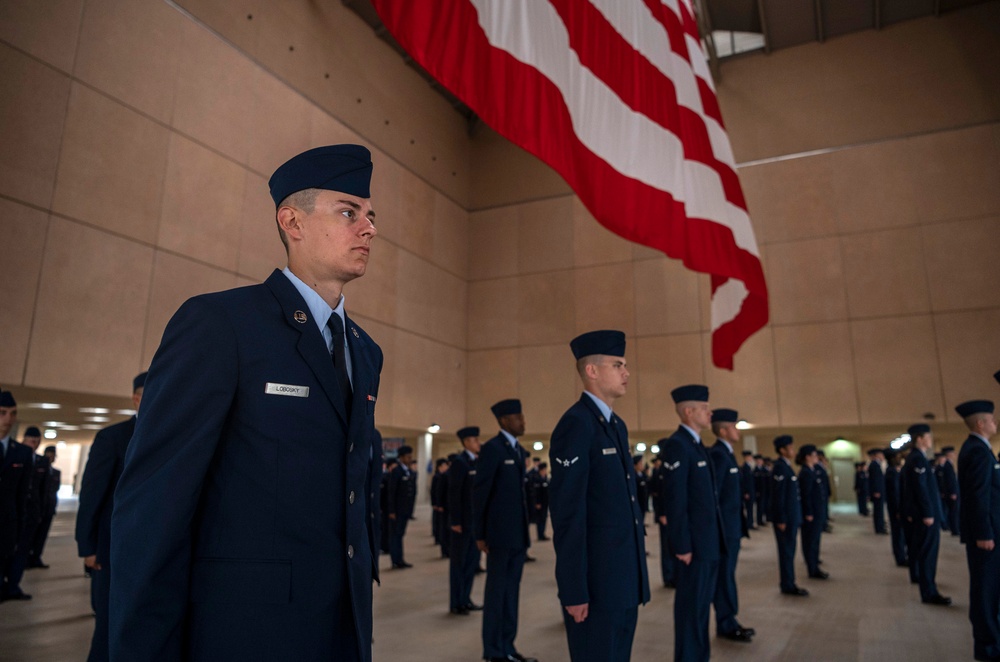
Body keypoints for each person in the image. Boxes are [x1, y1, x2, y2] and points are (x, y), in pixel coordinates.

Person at [109, 145, 384, 662]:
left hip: (341, 627)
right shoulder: (223, 325)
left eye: (371, 216)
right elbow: (153, 507)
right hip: (246, 632)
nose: (368, 228)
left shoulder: (365, 351)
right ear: (292, 221)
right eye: (349, 212)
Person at [549, 330, 649, 662]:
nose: (626, 373)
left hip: (623, 580)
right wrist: (574, 589)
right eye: (617, 364)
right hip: (596, 585)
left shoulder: (615, 425)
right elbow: (568, 513)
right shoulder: (576, 424)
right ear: (592, 371)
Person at [75, 373, 145, 660]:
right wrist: (88, 547)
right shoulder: (113, 437)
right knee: (106, 629)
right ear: (135, 398)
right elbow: (92, 495)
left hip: (148, 553)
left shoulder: (171, 435)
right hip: (109, 551)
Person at [660, 384, 724, 662]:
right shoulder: (677, 445)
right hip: (693, 548)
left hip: (708, 543)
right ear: (688, 412)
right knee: (690, 610)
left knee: (700, 610)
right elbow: (676, 501)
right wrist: (682, 545)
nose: (710, 414)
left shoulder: (697, 446)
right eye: (704, 409)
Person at [473, 399, 536, 662]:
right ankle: (493, 651)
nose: (523, 421)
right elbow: (480, 493)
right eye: (518, 417)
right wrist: (479, 534)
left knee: (512, 594)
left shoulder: (518, 451)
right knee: (497, 594)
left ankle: (508, 647)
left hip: (518, 536)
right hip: (498, 536)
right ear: (503, 421)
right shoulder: (493, 449)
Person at [956, 400, 1000, 661]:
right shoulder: (977, 451)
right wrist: (984, 533)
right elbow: (977, 496)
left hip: (990, 532)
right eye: (992, 419)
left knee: (990, 590)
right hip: (987, 536)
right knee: (985, 591)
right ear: (981, 423)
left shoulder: (982, 450)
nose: (996, 423)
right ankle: (987, 648)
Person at [708, 408, 755, 643]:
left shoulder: (727, 453)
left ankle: (729, 620)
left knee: (728, 575)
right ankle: (726, 623)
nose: (737, 430)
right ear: (725, 430)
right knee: (725, 576)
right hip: (725, 530)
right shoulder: (718, 454)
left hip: (732, 527)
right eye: (734, 426)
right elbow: (714, 497)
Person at [901, 424, 951, 607]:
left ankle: (927, 586)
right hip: (925, 516)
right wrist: (928, 513)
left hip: (922, 514)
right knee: (928, 554)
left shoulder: (917, 458)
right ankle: (929, 592)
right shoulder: (917, 459)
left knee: (924, 552)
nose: (930, 440)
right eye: (928, 437)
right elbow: (920, 489)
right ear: (920, 439)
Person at [2, 425, 48, 600]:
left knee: (21, 551)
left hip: (29, 514)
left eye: (37, 442)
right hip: (10, 514)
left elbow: (42, 490)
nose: (34, 444)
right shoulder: (13, 454)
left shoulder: (40, 461)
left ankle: (13, 586)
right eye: (31, 440)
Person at [0, 389, 33, 602]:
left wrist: (19, 528)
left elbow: (22, 496)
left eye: (13, 413)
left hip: (6, 526)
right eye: (3, 412)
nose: (8, 419)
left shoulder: (21, 453)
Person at [448, 427, 483, 615]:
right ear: (466, 442)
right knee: (459, 564)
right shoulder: (460, 463)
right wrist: (455, 521)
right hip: (462, 523)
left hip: (474, 523)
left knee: (472, 562)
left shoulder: (476, 462)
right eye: (475, 440)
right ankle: (456, 602)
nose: (478, 443)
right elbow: (454, 493)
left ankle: (466, 598)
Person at [771, 435, 808, 596]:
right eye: (790, 448)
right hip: (785, 519)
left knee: (790, 551)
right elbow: (778, 495)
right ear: (782, 450)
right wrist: (780, 518)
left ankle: (789, 581)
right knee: (786, 552)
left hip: (791, 516)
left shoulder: (786, 466)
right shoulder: (779, 467)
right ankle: (787, 584)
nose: (793, 451)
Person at [796, 444, 828, 580]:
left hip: (817, 510)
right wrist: (808, 512)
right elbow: (806, 495)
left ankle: (815, 564)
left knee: (815, 540)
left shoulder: (812, 470)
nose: (817, 458)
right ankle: (812, 568)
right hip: (811, 513)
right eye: (814, 455)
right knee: (810, 540)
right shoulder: (805, 473)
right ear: (807, 457)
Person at [28, 444, 60, 569]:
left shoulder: (56, 472)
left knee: (42, 535)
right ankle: (28, 558)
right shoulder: (37, 469)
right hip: (37, 508)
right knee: (32, 535)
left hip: (49, 508)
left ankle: (37, 557)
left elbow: (54, 489)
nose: (51, 458)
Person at [387, 445, 417, 569]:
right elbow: (391, 492)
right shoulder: (397, 471)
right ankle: (396, 560)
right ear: (402, 458)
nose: (410, 459)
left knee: (400, 534)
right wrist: (391, 510)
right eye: (408, 457)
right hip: (397, 510)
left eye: (410, 456)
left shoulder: (408, 471)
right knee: (396, 535)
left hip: (404, 510)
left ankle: (400, 558)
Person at [650, 456, 676, 588]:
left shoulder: (669, 469)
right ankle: (668, 576)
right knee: (666, 547)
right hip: (665, 515)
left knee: (673, 546)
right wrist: (661, 513)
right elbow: (659, 494)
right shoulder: (660, 472)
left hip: (673, 515)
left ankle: (674, 575)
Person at [885, 448, 908, 568]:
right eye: (897, 457)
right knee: (898, 533)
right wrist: (899, 510)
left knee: (899, 532)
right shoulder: (892, 472)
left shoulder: (892, 471)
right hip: (896, 508)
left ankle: (901, 555)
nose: (899, 459)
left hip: (895, 507)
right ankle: (900, 557)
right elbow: (895, 493)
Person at [941, 446, 960, 536]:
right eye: (953, 453)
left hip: (951, 492)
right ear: (949, 454)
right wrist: (953, 492)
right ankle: (955, 529)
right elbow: (949, 480)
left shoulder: (948, 464)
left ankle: (955, 528)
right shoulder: (947, 465)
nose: (954, 455)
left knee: (953, 511)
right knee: (954, 512)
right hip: (951, 493)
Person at [528, 462, 550, 541]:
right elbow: (535, 492)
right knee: (539, 519)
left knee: (544, 519)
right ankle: (540, 535)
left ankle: (542, 534)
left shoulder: (545, 477)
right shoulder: (537, 478)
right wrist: (537, 502)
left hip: (545, 502)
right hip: (539, 503)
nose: (545, 471)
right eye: (544, 470)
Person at [869, 448, 887, 534]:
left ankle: (880, 525)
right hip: (878, 492)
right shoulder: (874, 465)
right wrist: (876, 491)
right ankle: (879, 528)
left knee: (879, 510)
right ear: (877, 455)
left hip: (879, 491)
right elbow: (875, 479)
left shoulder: (876, 464)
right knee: (878, 510)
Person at [740, 450, 756, 531]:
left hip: (751, 490)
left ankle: (750, 522)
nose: (751, 458)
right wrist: (746, 492)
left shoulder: (748, 467)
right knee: (749, 509)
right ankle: (749, 524)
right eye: (750, 456)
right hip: (748, 492)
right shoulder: (745, 467)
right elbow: (744, 481)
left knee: (751, 509)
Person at [753, 455, 769, 526]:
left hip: (765, 491)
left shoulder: (765, 470)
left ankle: (764, 519)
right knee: (759, 507)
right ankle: (759, 520)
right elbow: (754, 483)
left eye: (760, 460)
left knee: (765, 506)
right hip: (759, 491)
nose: (759, 462)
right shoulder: (755, 470)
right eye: (758, 461)